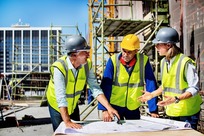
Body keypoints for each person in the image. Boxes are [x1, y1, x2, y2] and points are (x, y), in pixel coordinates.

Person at [46, 35, 119, 131]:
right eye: (85, 52)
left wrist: (109, 107)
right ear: (74, 55)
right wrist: (67, 121)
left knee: (78, 131)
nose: (88, 55)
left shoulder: (87, 65)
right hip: (57, 106)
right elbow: (61, 97)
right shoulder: (59, 67)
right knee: (63, 131)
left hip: (73, 105)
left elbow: (95, 88)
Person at [138, 27, 202, 129]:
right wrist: (152, 95)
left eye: (158, 44)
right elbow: (165, 86)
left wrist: (176, 99)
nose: (156, 47)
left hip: (187, 113)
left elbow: (194, 88)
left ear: (168, 45)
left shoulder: (185, 62)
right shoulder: (164, 62)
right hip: (172, 112)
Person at [98, 34, 159, 122]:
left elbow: (151, 84)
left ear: (136, 51)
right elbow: (105, 86)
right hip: (115, 106)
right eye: (124, 50)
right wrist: (104, 109)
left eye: (129, 52)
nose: (125, 54)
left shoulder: (143, 61)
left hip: (133, 106)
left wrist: (153, 110)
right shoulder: (113, 61)